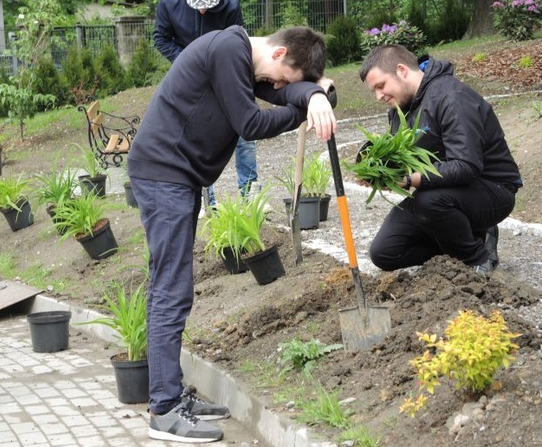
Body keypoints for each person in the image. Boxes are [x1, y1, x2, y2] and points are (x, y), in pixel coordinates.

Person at [128, 24, 336, 443]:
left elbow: (281, 92)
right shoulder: (228, 50)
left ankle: (169, 394)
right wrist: (304, 106)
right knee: (172, 288)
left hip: (175, 177)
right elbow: (251, 122)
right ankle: (164, 410)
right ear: (279, 56)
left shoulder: (243, 60)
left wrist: (313, 93)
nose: (276, 86)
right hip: (163, 175)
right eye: (282, 77)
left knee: (170, 287)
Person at [358, 44, 523, 274]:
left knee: (428, 202)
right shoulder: (399, 109)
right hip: (442, 192)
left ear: (402, 70)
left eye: (381, 85)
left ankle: (477, 256)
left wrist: (409, 180)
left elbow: (467, 166)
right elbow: (404, 160)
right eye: (373, 90)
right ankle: (461, 237)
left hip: (491, 189)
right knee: (385, 252)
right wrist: (377, 170)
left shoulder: (451, 96)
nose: (378, 96)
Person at [154, 0, 259, 209]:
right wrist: (189, 62)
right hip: (189, 75)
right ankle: (205, 202)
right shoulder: (169, 2)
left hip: (224, 72)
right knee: (197, 135)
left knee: (244, 133)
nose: (203, 11)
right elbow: (161, 38)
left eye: (207, 5)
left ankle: (250, 195)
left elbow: (238, 43)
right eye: (197, 6)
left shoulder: (230, 5)